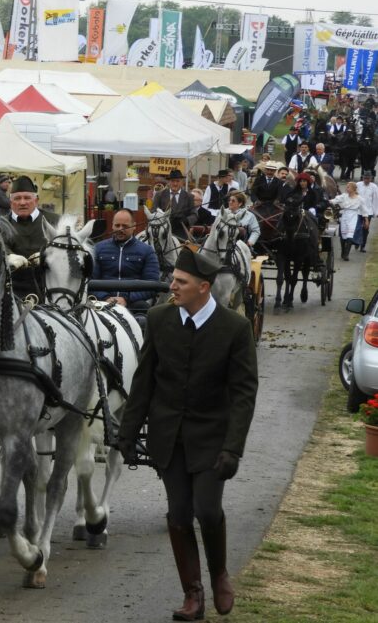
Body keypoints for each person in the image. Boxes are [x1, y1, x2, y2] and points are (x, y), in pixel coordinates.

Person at [116, 247, 258, 621]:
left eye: (180, 282)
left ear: (203, 287)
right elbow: (143, 381)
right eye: (173, 280)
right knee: (179, 514)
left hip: (213, 438)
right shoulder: (160, 319)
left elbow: (244, 393)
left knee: (207, 511)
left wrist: (233, 448)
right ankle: (192, 595)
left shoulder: (235, 328)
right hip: (169, 437)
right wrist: (128, 434)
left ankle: (220, 575)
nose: (172, 287)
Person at [0, 175, 59, 301]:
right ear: (10, 201)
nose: (22, 202)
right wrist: (8, 256)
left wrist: (46, 255)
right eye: (17, 198)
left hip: (50, 289)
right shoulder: (0, 225)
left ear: (36, 200)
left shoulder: (55, 221)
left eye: (27, 198)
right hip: (11, 292)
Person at [91, 209, 160, 311]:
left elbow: (152, 284)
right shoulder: (97, 249)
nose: (120, 229)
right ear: (112, 226)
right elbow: (90, 281)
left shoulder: (147, 251)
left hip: (133, 304)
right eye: (117, 225)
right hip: (102, 302)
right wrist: (106, 298)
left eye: (125, 226)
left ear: (134, 226)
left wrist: (126, 299)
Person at [152, 169, 196, 236]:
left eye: (177, 181)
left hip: (181, 231)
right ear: (169, 182)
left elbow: (194, 214)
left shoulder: (189, 196)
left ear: (182, 182)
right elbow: (153, 211)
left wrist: (186, 220)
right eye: (173, 181)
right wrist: (161, 217)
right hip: (163, 230)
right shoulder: (159, 195)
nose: (175, 184)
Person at [333, 181, 370, 260]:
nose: (347, 188)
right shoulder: (344, 196)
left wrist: (366, 220)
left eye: (348, 187)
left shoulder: (359, 199)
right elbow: (335, 200)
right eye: (346, 187)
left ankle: (346, 254)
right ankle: (343, 251)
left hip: (353, 217)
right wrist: (328, 201)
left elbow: (364, 210)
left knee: (350, 235)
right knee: (343, 236)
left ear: (353, 189)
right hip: (344, 215)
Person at [356, 170, 378, 253]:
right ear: (363, 178)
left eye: (368, 178)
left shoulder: (374, 187)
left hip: (368, 211)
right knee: (357, 228)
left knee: (365, 228)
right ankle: (357, 241)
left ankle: (362, 245)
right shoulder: (358, 185)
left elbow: (375, 200)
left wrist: (376, 212)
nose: (366, 180)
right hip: (358, 210)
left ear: (371, 179)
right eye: (365, 178)